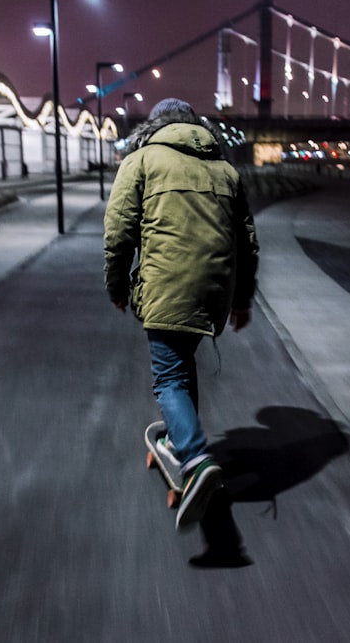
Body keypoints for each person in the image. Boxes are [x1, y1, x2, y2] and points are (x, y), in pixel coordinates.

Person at [103, 98, 259, 530]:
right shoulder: (226, 170)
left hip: (166, 284)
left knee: (168, 376)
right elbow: (247, 242)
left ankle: (194, 458)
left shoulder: (142, 160)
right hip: (214, 291)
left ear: (156, 123)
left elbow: (118, 233)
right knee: (182, 361)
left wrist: (117, 286)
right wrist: (243, 299)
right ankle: (178, 435)